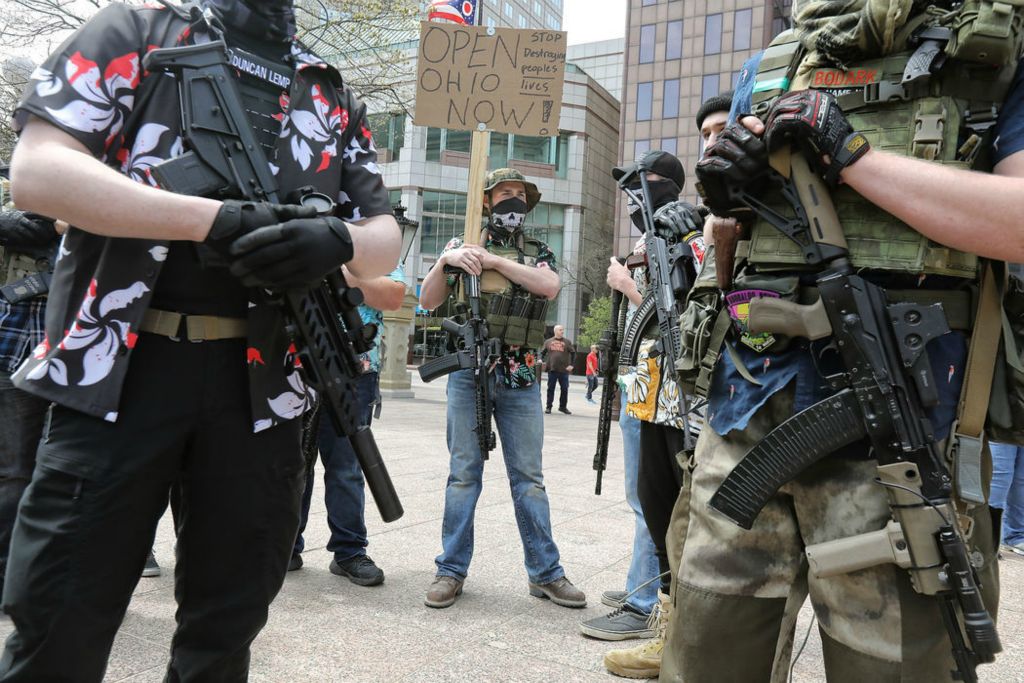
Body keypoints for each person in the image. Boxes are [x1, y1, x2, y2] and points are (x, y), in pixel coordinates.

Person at [1, 1, 400, 679]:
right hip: (117, 376)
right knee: (58, 621)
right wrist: (209, 220)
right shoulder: (136, 33)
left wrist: (338, 237)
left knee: (225, 632)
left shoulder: (326, 90)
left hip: (264, 392)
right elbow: (38, 171)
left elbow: (382, 242)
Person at [661, 4, 1019, 679]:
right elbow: (736, 251)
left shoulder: (993, 48)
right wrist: (728, 198)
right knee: (705, 658)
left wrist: (850, 155)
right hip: (745, 418)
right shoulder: (777, 60)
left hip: (902, 434)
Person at [418, 168, 585, 610]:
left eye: (519, 195)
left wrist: (493, 262)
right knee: (463, 476)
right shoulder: (461, 245)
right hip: (468, 373)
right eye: (503, 194)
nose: (512, 201)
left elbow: (549, 285)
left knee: (529, 479)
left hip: (522, 374)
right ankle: (450, 570)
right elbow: (427, 301)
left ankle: (546, 573)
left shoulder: (538, 251)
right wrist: (445, 262)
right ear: (487, 201)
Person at [595, 146, 709, 679]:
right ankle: (665, 615)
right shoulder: (650, 236)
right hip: (649, 392)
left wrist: (629, 284)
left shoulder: (693, 228)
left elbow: (692, 306)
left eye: (644, 184)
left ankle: (678, 624)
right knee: (653, 500)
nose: (634, 197)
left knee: (680, 513)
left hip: (686, 398)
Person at [290, 264, 406, 585]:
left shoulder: (371, 243)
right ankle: (285, 546)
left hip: (356, 369)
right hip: (297, 365)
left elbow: (394, 295)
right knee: (292, 462)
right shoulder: (301, 229)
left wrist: (334, 266)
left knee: (346, 467)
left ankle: (349, 551)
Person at [0, 187, 61, 601]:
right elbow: (22, 225)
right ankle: (8, 580)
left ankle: (50, 579)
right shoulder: (13, 199)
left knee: (66, 470)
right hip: (14, 347)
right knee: (13, 472)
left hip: (76, 354)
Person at [990, 442, 1024, 555]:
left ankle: (1016, 536)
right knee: (999, 475)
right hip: (1003, 426)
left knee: (1021, 478)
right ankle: (987, 539)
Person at [542, 324, 575, 414]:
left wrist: (572, 365)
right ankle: (548, 407)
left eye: (563, 330)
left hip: (564, 370)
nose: (562, 331)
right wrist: (541, 360)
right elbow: (542, 353)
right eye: (560, 330)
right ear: (555, 331)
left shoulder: (567, 342)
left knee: (564, 388)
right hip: (552, 369)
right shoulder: (548, 341)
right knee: (550, 388)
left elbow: (573, 353)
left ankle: (563, 407)